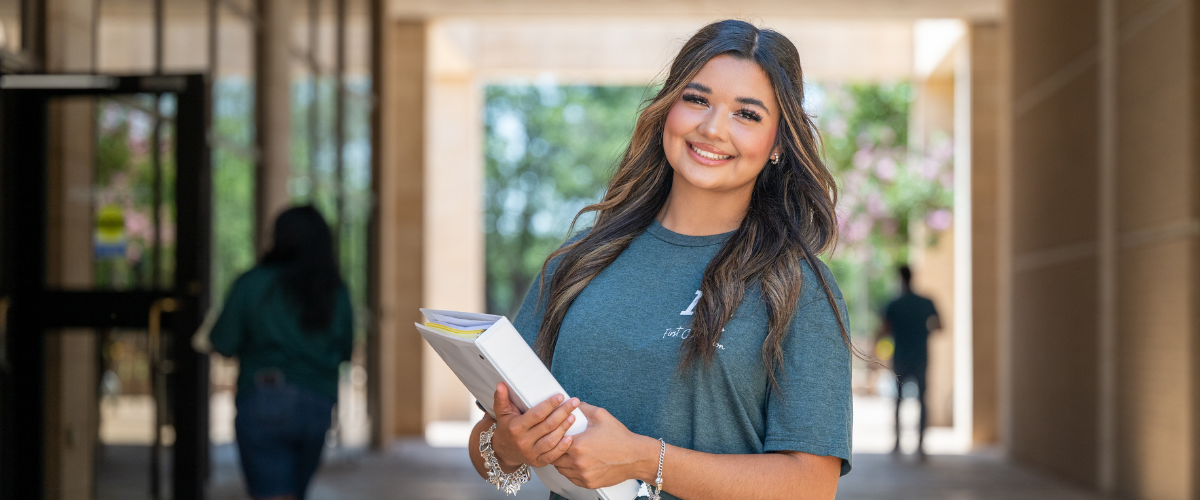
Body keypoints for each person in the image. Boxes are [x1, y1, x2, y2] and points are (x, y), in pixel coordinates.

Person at [467, 20, 854, 499]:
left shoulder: (797, 285)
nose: (712, 128)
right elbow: (488, 441)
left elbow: (811, 487)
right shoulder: (578, 264)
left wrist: (644, 459)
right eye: (697, 99)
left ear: (777, 143)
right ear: (668, 108)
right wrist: (507, 446)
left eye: (747, 114)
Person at [211, 206, 354, 500]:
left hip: (264, 399)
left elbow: (223, 342)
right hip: (318, 404)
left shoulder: (252, 284)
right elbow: (345, 349)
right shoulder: (334, 291)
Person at [876, 265, 940, 459]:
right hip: (921, 356)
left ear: (899, 278)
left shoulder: (894, 304)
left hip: (901, 358)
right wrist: (923, 330)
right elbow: (940, 325)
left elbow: (883, 331)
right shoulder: (926, 302)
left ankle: (897, 443)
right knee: (922, 399)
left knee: (898, 400)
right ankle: (921, 444)